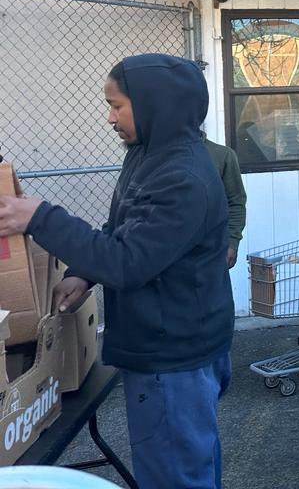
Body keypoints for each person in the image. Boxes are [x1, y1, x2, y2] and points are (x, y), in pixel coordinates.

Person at [0, 54, 234, 489]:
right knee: (190, 463)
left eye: (117, 105)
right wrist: (83, 272)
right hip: (175, 345)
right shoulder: (147, 154)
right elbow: (125, 230)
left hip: (173, 360)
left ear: (153, 106)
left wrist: (40, 218)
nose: (109, 118)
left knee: (177, 477)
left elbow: (129, 263)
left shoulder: (182, 178)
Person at [205, 136, 247, 269]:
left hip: (210, 253)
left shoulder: (222, 155)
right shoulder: (147, 152)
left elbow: (236, 202)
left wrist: (232, 242)